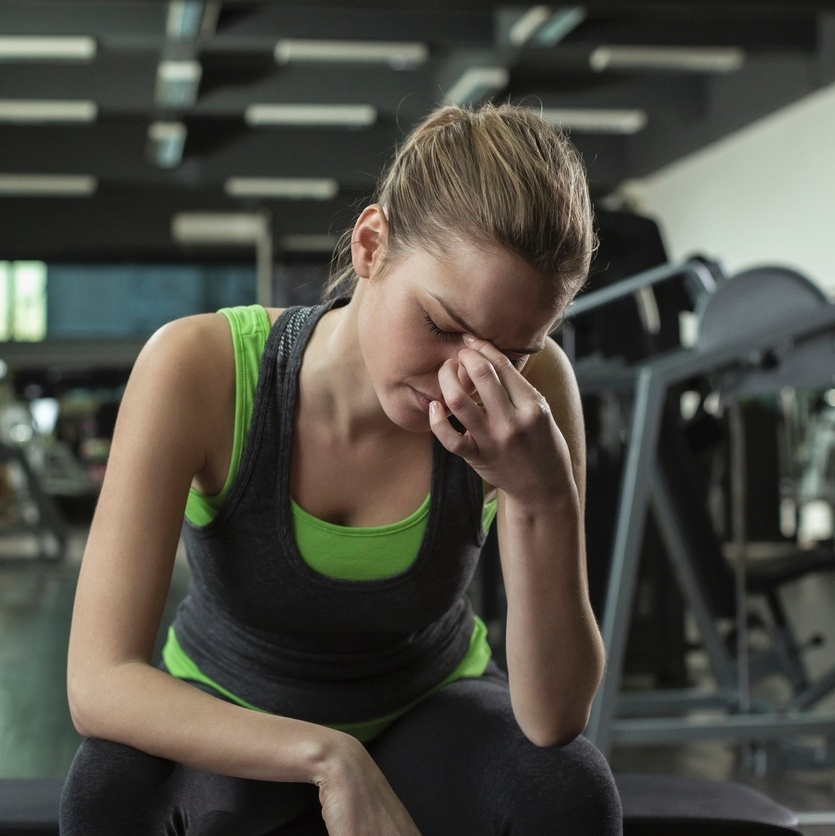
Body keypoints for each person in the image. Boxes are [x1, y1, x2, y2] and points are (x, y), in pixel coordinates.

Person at [60, 102, 623, 834]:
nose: (466, 377)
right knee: (110, 793)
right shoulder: (198, 367)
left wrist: (541, 495)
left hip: (430, 706)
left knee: (564, 788)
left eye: (510, 352)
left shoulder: (532, 396)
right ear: (369, 245)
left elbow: (552, 718)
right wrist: (328, 757)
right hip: (229, 701)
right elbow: (98, 682)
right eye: (442, 325)